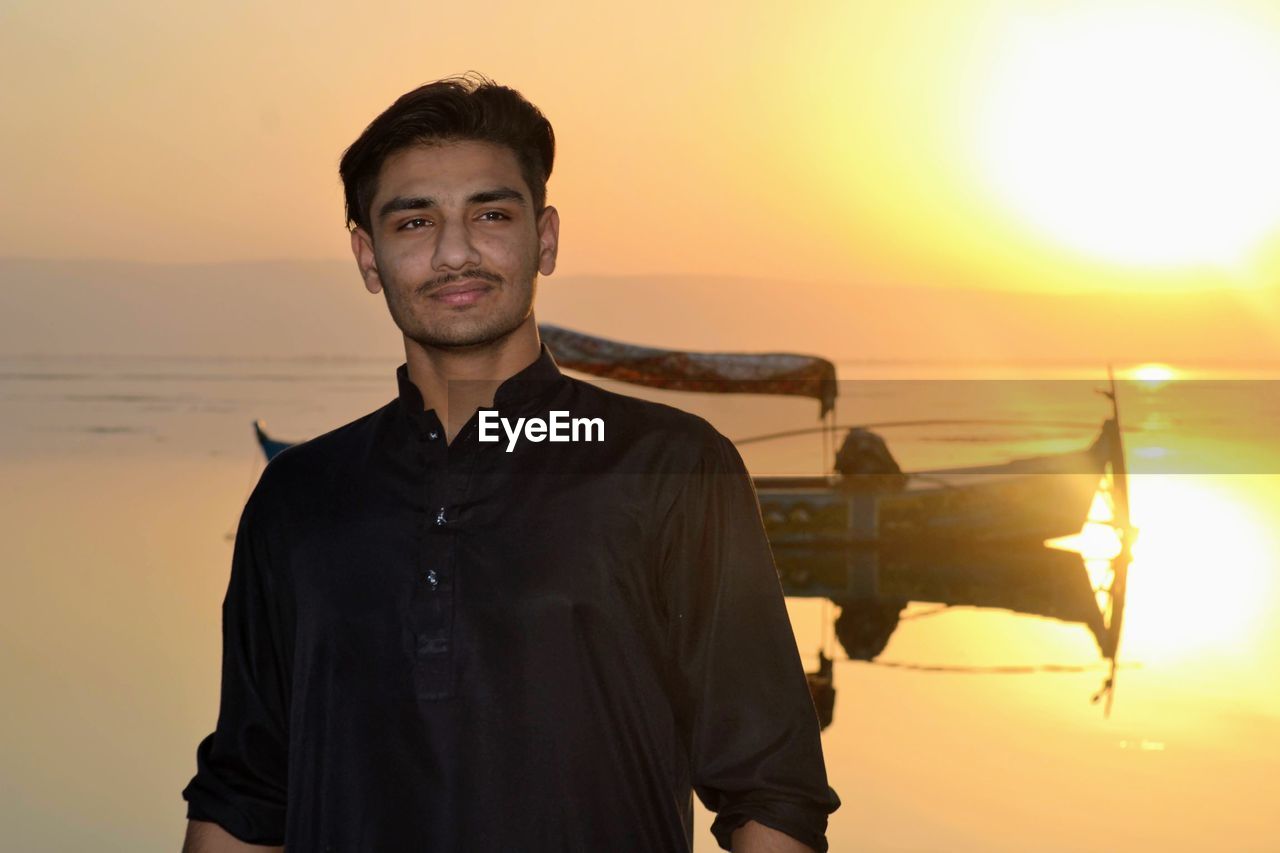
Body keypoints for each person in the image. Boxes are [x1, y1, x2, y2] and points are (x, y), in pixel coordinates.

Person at [180, 72, 839, 853]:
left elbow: (771, 793)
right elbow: (247, 795)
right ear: (367, 257)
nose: (456, 251)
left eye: (491, 214)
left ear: (545, 237)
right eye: (414, 222)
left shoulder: (672, 469)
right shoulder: (297, 497)